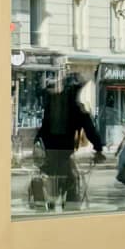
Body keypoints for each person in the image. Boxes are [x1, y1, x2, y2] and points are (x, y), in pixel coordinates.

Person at [36, 74, 104, 203]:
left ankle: (51, 201)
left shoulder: (53, 102)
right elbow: (90, 130)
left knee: (53, 180)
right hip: (63, 152)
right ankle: (70, 206)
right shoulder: (77, 108)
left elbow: (43, 128)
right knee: (71, 182)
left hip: (48, 151)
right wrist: (98, 148)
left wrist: (37, 142)